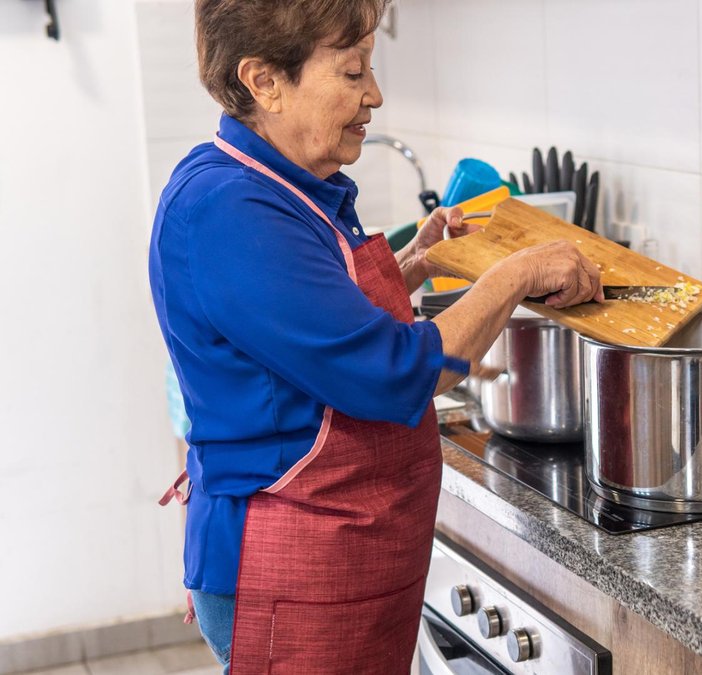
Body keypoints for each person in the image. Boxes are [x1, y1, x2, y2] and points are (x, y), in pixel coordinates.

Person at [147, 1, 602, 672]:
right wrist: (515, 272)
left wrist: (421, 258)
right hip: (292, 568)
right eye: (353, 69)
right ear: (264, 81)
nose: (375, 94)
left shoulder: (272, 183)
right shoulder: (231, 210)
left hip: (330, 560)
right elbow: (393, 370)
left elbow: (319, 319)